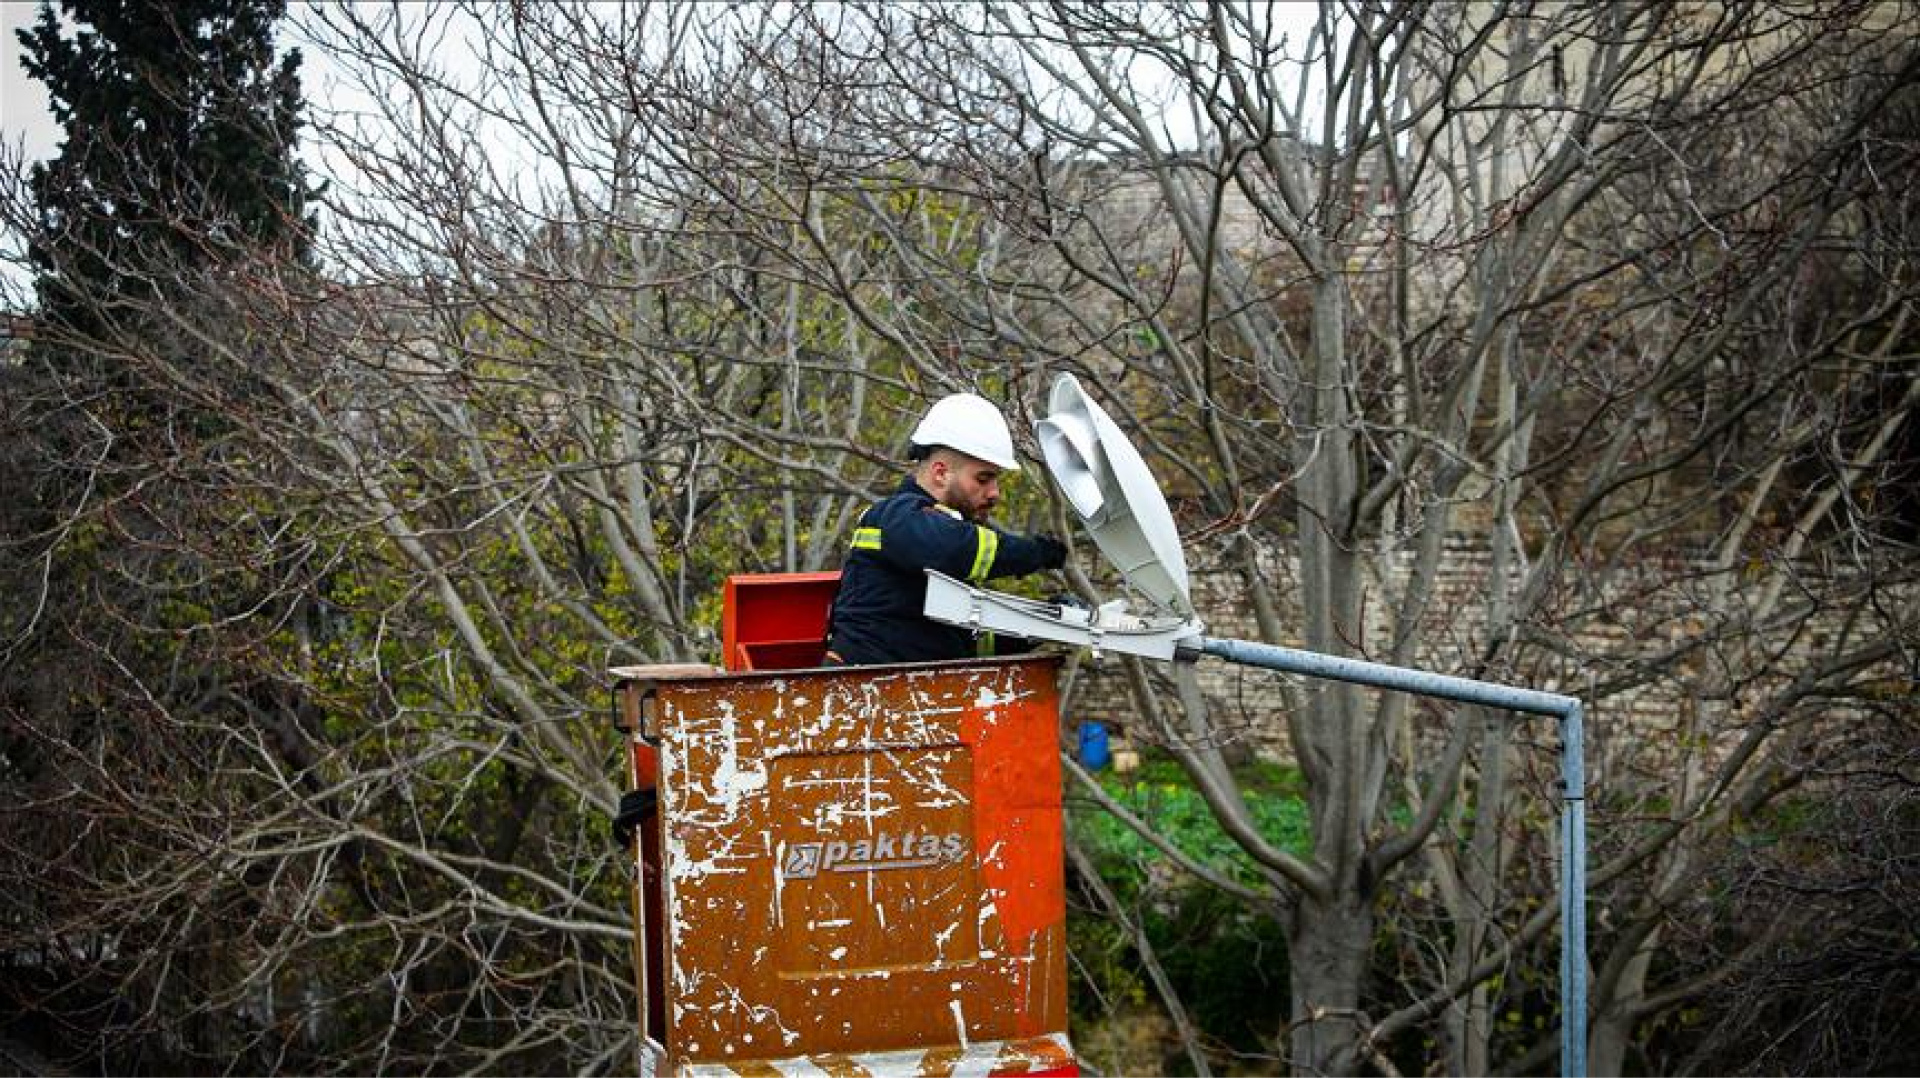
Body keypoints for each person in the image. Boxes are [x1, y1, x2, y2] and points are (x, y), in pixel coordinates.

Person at [824, 392, 1067, 665]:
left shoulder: (933, 534)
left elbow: (956, 641)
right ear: (940, 473)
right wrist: (1036, 552)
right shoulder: (896, 518)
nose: (994, 493)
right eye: (983, 479)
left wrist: (1042, 623)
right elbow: (958, 549)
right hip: (860, 689)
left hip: (904, 690)